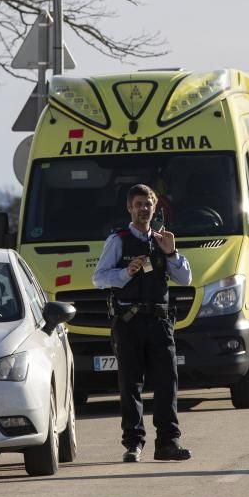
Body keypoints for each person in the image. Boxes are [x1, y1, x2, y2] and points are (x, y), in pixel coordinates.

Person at [93, 184, 193, 463]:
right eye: (138, 204)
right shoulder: (119, 240)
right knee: (130, 385)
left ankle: (168, 443)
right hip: (129, 321)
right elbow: (99, 278)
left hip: (160, 321)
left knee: (166, 383)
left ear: (155, 207)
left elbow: (185, 279)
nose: (143, 209)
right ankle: (134, 443)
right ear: (129, 208)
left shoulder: (162, 240)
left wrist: (171, 253)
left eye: (148, 204)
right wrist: (126, 272)